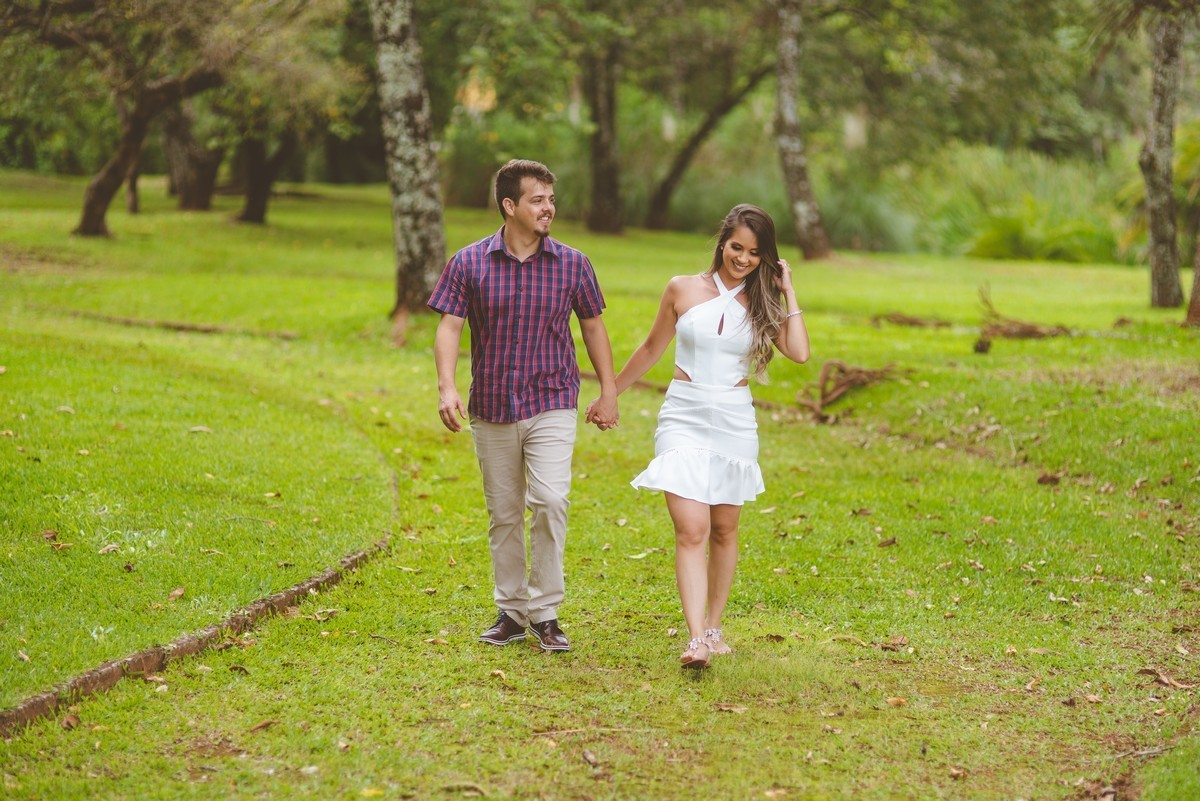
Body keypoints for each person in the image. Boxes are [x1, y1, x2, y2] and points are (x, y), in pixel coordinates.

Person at [601, 204, 810, 669]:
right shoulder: (682, 288)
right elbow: (653, 345)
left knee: (724, 528)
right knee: (691, 527)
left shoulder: (762, 301)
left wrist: (788, 289)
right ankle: (695, 639)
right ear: (722, 242)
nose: (743, 259)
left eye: (755, 253)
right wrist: (611, 392)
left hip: (735, 419)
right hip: (685, 413)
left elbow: (798, 351)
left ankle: (715, 626)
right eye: (737, 247)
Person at [429, 159, 619, 654]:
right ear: (509, 206)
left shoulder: (574, 264)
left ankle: (547, 611)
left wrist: (609, 389)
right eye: (538, 200)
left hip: (553, 398)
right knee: (505, 513)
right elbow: (449, 326)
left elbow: (593, 326)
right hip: (491, 403)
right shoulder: (468, 262)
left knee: (551, 501)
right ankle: (512, 612)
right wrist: (446, 386)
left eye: (551, 199)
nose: (548, 208)